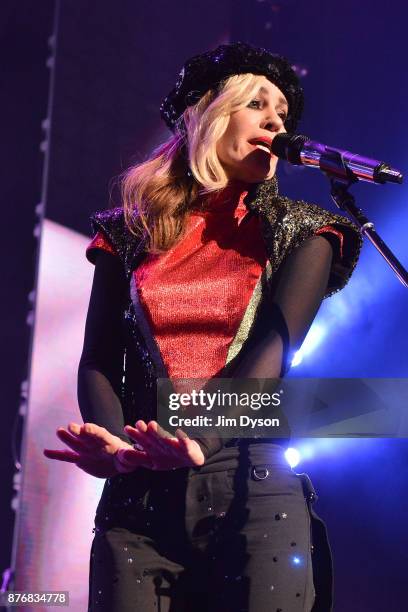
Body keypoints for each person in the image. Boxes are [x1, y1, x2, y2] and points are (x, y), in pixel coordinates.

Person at [44, 42, 362, 611]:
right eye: (258, 104)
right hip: (136, 500)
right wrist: (115, 445)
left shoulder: (307, 233)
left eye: (283, 114)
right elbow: (98, 358)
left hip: (253, 488)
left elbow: (269, 355)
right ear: (209, 113)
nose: (275, 120)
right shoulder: (126, 232)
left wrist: (199, 437)